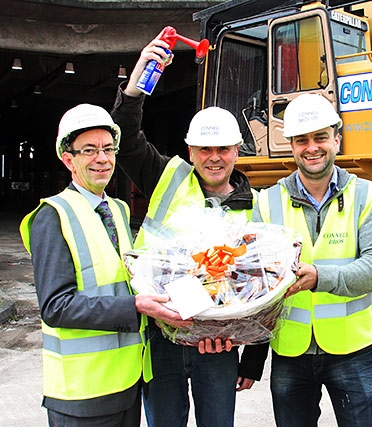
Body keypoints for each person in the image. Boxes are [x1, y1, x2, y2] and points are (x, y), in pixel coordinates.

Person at [110, 33, 268, 427]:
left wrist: (252, 357)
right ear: (190, 150)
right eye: (204, 150)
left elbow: (263, 284)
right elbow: (124, 141)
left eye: (223, 150)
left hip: (219, 344)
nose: (214, 159)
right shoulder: (168, 176)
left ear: (237, 149)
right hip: (161, 336)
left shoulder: (258, 206)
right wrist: (138, 82)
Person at [19, 103, 191, 426]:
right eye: (89, 150)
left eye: (108, 149)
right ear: (68, 158)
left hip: (128, 384)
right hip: (82, 395)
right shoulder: (52, 217)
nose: (102, 158)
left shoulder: (118, 211)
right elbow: (56, 306)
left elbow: (128, 280)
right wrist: (136, 307)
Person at [252, 93, 372, 427]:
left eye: (320, 137)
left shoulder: (366, 194)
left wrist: (319, 277)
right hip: (290, 352)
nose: (311, 147)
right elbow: (257, 279)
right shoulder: (268, 202)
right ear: (291, 145)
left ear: (337, 140)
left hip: (351, 350)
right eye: (302, 140)